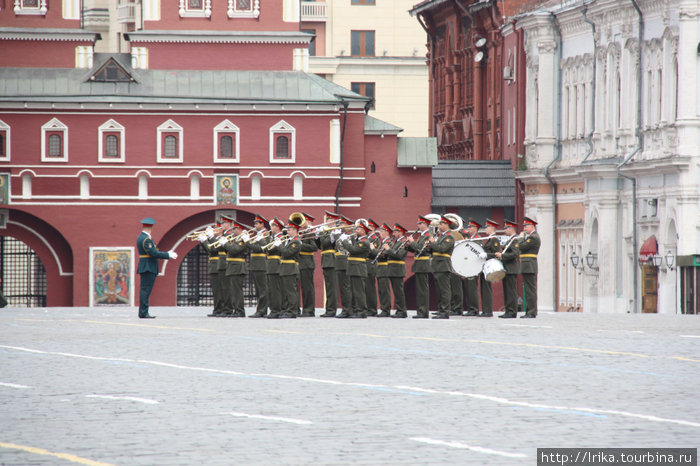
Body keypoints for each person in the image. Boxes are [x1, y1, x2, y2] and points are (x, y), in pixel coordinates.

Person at [136, 217, 176, 319]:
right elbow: (153, 253)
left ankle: (143, 312)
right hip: (148, 266)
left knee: (145, 290)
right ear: (151, 227)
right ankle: (144, 312)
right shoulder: (146, 239)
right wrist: (167, 254)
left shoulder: (142, 237)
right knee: (146, 291)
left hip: (146, 266)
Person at [338, 222, 370, 318]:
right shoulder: (358, 240)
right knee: (354, 291)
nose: (356, 231)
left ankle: (362, 311)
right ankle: (356, 310)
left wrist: (344, 241)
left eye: (358, 229)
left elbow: (353, 250)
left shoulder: (364, 241)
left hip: (358, 268)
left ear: (364, 231)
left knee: (359, 291)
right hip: (353, 267)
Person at [222, 220, 250, 317]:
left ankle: (240, 310)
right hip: (232, 266)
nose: (233, 230)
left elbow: (235, 250)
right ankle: (236, 309)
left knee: (237, 290)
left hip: (238, 267)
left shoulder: (241, 240)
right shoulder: (234, 239)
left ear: (239, 229)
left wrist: (225, 244)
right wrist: (225, 245)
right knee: (233, 290)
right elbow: (228, 252)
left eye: (234, 228)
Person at [406, 215, 432, 318]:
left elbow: (422, 250)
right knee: (419, 289)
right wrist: (408, 246)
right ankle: (420, 310)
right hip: (419, 265)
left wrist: (412, 242)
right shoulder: (422, 235)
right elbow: (416, 249)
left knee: (422, 290)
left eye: (420, 224)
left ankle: (423, 311)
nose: (418, 225)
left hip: (423, 264)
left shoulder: (428, 235)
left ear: (425, 224)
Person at [430, 215, 455, 319]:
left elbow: (442, 249)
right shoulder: (441, 236)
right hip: (437, 265)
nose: (439, 225)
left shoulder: (449, 237)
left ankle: (445, 311)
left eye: (441, 224)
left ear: (446, 225)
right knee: (439, 290)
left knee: (444, 290)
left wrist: (433, 243)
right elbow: (435, 250)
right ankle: (441, 309)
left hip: (443, 265)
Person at [199, 222, 225, 317]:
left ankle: (221, 308)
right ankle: (217, 309)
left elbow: (213, 249)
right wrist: (203, 242)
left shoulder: (221, 240)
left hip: (218, 265)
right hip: (213, 265)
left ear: (221, 230)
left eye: (216, 229)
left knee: (220, 289)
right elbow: (208, 250)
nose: (214, 230)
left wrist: (207, 240)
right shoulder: (214, 240)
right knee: (215, 290)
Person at [496, 219, 520, 318]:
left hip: (511, 268)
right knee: (507, 291)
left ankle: (512, 311)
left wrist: (502, 256)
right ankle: (508, 310)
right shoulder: (510, 239)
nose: (504, 230)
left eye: (506, 228)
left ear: (511, 229)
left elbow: (515, 254)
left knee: (511, 291)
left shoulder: (515, 240)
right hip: (507, 268)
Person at [277, 220, 301, 319]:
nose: (288, 231)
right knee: (287, 291)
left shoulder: (296, 241)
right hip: (285, 268)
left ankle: (292, 311)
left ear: (295, 230)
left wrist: (279, 245)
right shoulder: (290, 240)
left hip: (290, 268)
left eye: (290, 230)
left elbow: (287, 253)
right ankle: (288, 309)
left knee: (291, 291)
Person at [248, 214, 269, 318]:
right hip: (256, 264)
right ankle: (260, 309)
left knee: (262, 289)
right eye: (254, 223)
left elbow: (261, 248)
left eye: (257, 223)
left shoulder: (265, 234)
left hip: (261, 264)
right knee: (258, 289)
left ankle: (262, 310)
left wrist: (247, 241)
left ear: (262, 224)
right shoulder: (258, 234)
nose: (255, 225)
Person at [479, 219, 501, 317]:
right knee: (484, 289)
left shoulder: (494, 239)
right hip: (485, 266)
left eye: (487, 227)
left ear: (492, 228)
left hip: (490, 266)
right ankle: (484, 310)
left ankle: (488, 311)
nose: (485, 229)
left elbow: (496, 253)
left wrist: (486, 254)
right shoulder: (489, 239)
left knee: (487, 289)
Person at [318, 211, 338, 317]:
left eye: (330, 220)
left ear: (334, 221)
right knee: (329, 286)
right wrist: (317, 235)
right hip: (326, 260)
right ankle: (328, 309)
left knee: (332, 287)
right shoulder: (326, 232)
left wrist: (325, 234)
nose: (327, 222)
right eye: (328, 220)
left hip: (332, 260)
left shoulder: (335, 232)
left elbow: (326, 243)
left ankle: (331, 310)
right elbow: (320, 246)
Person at [519, 216, 540, 318]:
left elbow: (521, 246)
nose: (524, 228)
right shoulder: (530, 237)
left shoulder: (533, 237)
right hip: (527, 265)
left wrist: (521, 238)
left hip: (529, 265)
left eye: (526, 226)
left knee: (530, 290)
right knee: (528, 290)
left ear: (532, 226)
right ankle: (529, 311)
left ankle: (531, 312)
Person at [387, 223, 409, 318]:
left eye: (395, 232)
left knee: (399, 292)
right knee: (396, 291)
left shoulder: (403, 242)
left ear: (401, 233)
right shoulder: (396, 242)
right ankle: (399, 310)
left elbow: (399, 255)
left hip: (398, 270)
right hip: (393, 269)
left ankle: (402, 311)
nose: (393, 233)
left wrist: (388, 250)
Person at [298, 212, 318, 317]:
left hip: (307, 263)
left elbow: (314, 248)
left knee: (307, 288)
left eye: (303, 221)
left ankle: (309, 310)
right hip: (301, 263)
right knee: (302, 288)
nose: (301, 224)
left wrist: (301, 244)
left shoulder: (310, 233)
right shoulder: (301, 232)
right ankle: (302, 309)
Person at [462, 218, 482, 316]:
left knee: (472, 288)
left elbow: (476, 253)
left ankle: (474, 309)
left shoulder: (477, 238)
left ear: (476, 228)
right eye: (468, 227)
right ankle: (470, 308)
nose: (468, 228)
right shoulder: (471, 238)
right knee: (468, 288)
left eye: (471, 227)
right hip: (469, 266)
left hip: (473, 267)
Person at [266, 218, 285, 319]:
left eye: (273, 226)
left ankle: (276, 310)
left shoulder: (280, 237)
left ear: (278, 227)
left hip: (276, 265)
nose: (271, 228)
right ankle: (274, 309)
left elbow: (270, 249)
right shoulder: (272, 237)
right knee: (272, 289)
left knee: (275, 289)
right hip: (271, 264)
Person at [374, 223, 393, 317]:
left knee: (385, 289)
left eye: (381, 231)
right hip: (380, 268)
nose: (379, 233)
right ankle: (383, 308)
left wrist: (373, 250)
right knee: (381, 290)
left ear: (387, 232)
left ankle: (386, 309)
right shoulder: (383, 242)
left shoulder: (389, 242)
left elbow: (383, 254)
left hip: (385, 267)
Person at [364, 218, 381, 316]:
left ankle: (372, 309)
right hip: (365, 264)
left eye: (370, 227)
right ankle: (367, 308)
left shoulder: (374, 238)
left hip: (370, 264)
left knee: (370, 288)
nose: (368, 228)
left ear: (373, 228)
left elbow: (373, 252)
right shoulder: (367, 238)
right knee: (366, 288)